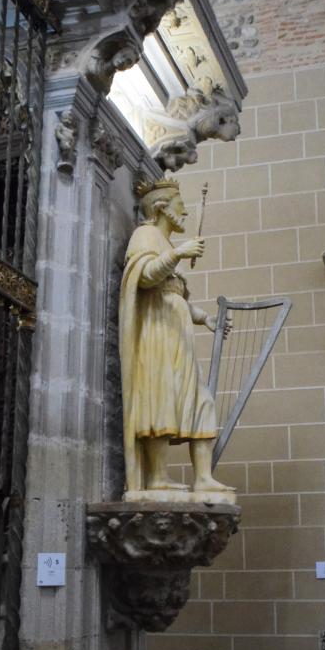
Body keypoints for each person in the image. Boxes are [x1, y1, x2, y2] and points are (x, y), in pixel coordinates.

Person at [119, 176, 232, 495]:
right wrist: (179, 254)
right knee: (161, 400)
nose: (185, 211)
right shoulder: (145, 235)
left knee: (201, 401)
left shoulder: (166, 244)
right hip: (156, 335)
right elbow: (145, 277)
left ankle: (203, 478)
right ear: (161, 207)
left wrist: (205, 318)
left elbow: (174, 295)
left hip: (178, 336)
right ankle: (157, 478)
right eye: (180, 205)